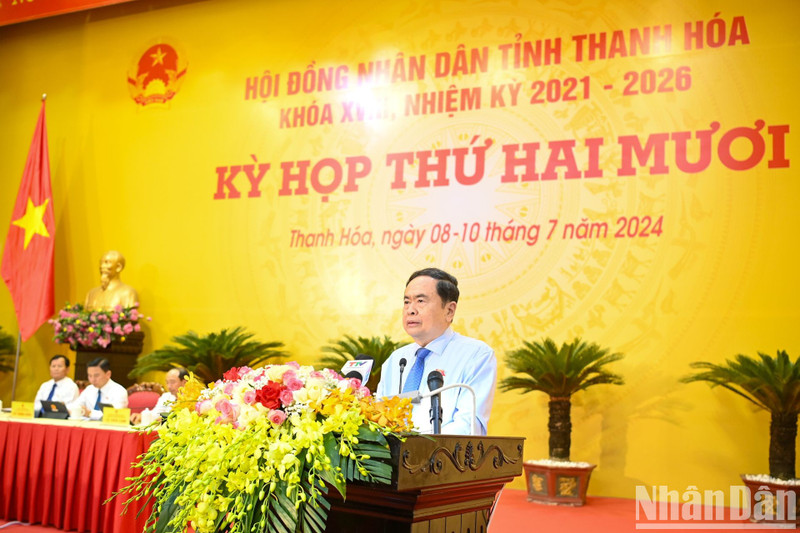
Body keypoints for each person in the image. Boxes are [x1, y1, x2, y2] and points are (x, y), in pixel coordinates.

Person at [376, 268, 497, 435]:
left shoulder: (476, 355)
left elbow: (468, 425)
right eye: (406, 302)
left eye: (420, 301)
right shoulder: (396, 360)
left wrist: (419, 449)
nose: (411, 309)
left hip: (444, 458)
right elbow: (379, 417)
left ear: (449, 311)